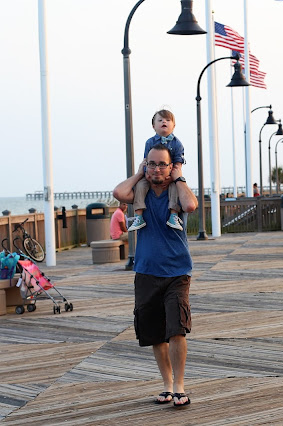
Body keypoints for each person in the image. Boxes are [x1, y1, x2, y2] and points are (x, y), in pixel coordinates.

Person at [113, 144, 198, 407]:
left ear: (171, 166)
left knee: (177, 330)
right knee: (155, 334)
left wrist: (179, 177)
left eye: (162, 164)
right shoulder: (142, 192)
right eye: (152, 164)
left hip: (177, 271)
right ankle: (167, 385)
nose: (157, 169)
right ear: (146, 165)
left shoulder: (176, 192)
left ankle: (180, 386)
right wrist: (140, 174)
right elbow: (118, 192)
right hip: (146, 271)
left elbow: (191, 205)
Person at [128, 109, 186, 232]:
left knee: (174, 188)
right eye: (160, 120)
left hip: (169, 177)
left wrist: (172, 178)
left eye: (168, 120)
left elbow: (178, 164)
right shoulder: (150, 142)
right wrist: (146, 175)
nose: (164, 122)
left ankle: (173, 215)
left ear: (173, 125)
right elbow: (146, 161)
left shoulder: (177, 144)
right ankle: (138, 216)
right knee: (140, 186)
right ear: (154, 126)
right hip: (150, 176)